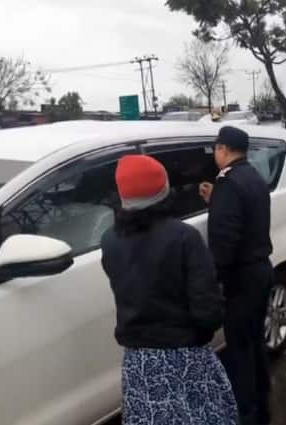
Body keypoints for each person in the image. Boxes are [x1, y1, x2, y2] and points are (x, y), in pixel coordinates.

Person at [101, 154, 238, 425]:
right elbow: (208, 310)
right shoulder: (183, 237)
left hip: (139, 363)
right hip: (185, 358)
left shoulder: (110, 240)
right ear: (163, 189)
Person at [199, 126, 273, 425]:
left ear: (223, 149)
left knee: (240, 351)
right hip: (260, 271)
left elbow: (225, 239)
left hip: (242, 278)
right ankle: (262, 408)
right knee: (254, 344)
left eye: (216, 149)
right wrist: (216, 201)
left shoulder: (228, 183)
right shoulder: (251, 176)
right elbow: (243, 213)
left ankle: (247, 415)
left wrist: (214, 279)